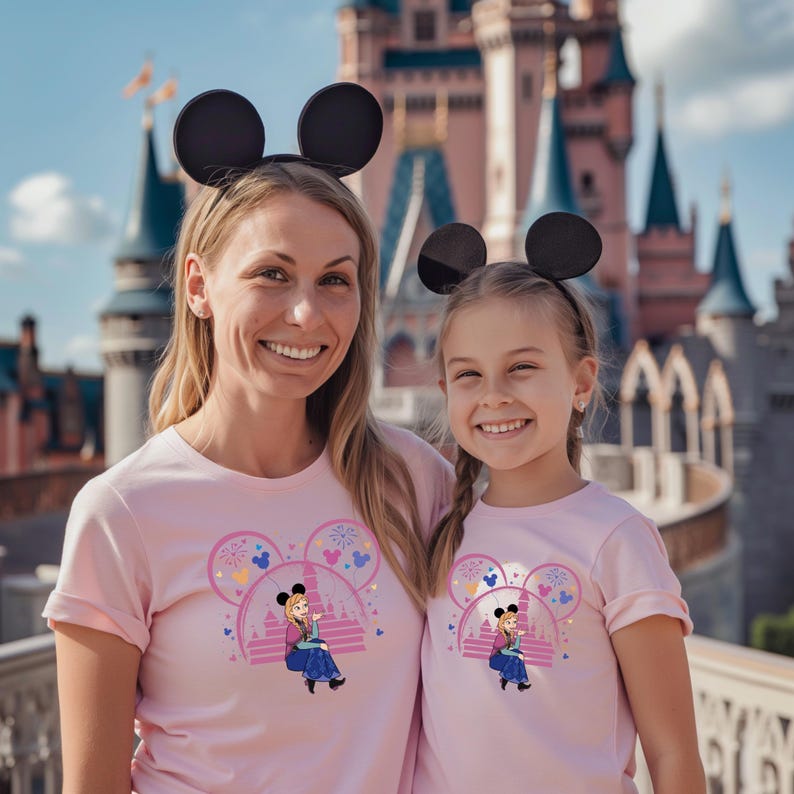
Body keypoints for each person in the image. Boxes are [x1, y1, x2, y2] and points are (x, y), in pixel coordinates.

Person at [43, 84, 452, 793]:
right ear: (199, 286)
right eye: (272, 274)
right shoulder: (121, 515)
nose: (306, 312)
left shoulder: (414, 483)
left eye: (336, 280)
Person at [413, 214, 706, 793]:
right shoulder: (439, 528)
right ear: (446, 391)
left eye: (522, 367)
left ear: (580, 382)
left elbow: (672, 754)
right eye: (469, 374)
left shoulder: (616, 539)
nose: (494, 394)